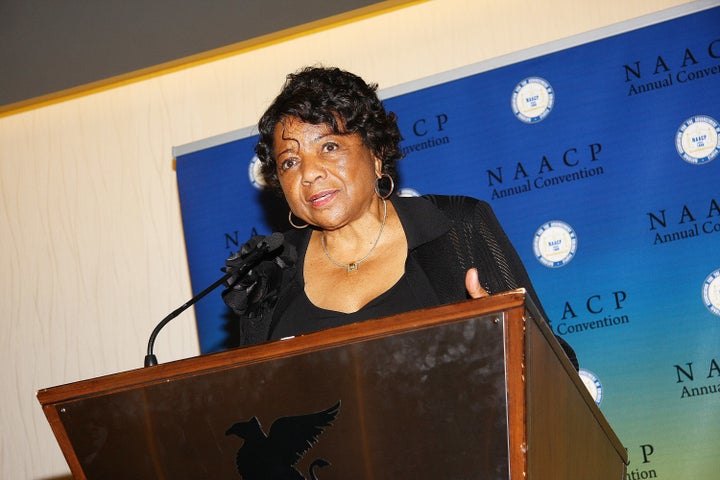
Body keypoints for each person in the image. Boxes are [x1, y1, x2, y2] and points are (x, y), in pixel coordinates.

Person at [223, 66, 578, 368]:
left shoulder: (457, 225)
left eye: (329, 147)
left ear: (376, 154)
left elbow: (560, 364)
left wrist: (511, 338)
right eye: (290, 161)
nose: (309, 173)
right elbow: (253, 397)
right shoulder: (269, 272)